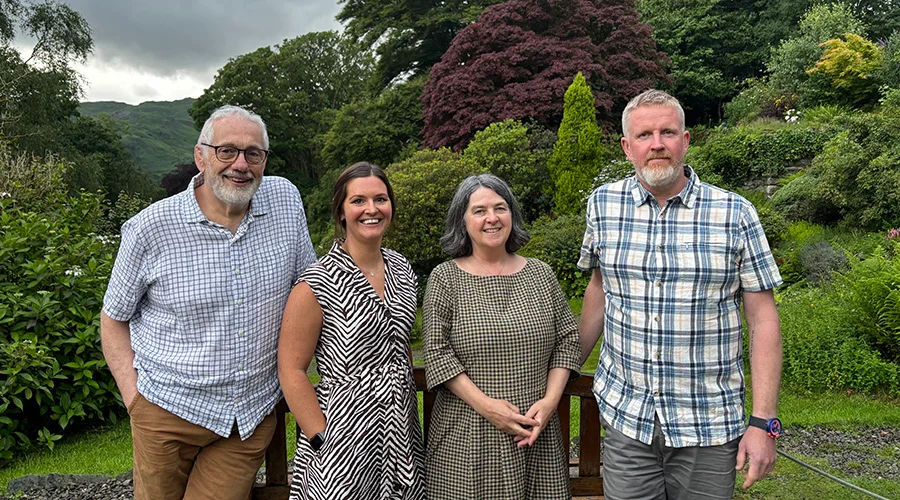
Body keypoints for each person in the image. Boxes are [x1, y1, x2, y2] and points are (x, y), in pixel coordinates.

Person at [100, 105, 317, 500]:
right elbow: (113, 318)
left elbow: (311, 287)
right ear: (201, 156)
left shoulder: (285, 200)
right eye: (227, 151)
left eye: (254, 153)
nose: (241, 164)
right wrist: (135, 400)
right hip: (168, 412)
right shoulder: (150, 228)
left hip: (248, 417)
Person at [578, 89, 784, 500]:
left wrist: (764, 423)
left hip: (707, 424)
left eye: (667, 132)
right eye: (645, 135)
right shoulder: (603, 205)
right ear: (627, 147)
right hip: (626, 419)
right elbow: (599, 290)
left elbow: (763, 320)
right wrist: (563, 369)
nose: (657, 144)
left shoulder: (735, 214)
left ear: (685, 140)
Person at [423, 174, 582, 500]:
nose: (492, 218)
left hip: (535, 435)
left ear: (512, 214)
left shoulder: (540, 273)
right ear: (463, 220)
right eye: (479, 210)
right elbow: (437, 353)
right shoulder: (445, 278)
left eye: (500, 208)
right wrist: (489, 407)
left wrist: (551, 401)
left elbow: (568, 338)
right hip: (467, 437)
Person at [278, 162, 426, 500]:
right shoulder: (316, 282)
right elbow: (291, 369)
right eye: (358, 201)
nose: (371, 209)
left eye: (380, 199)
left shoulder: (401, 268)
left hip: (400, 428)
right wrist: (321, 438)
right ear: (341, 212)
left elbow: (398, 341)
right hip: (343, 434)